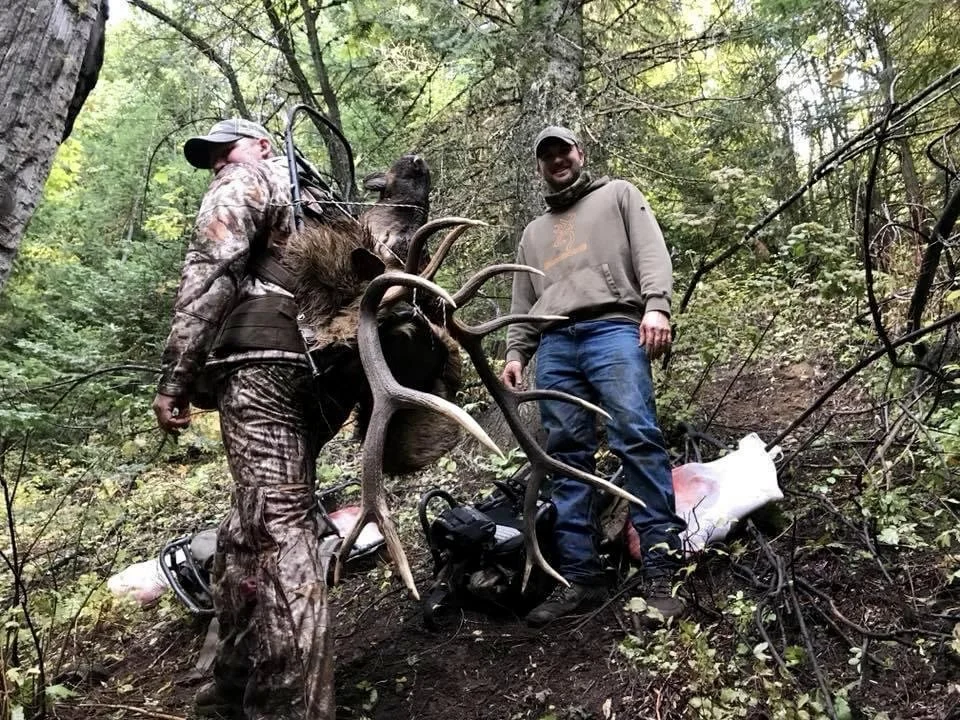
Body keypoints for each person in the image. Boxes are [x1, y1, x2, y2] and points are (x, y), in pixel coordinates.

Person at [153, 118, 356, 719]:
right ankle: (234, 692)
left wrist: (176, 375)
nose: (218, 162)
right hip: (313, 374)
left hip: (260, 366)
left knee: (279, 532)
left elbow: (211, 269)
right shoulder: (315, 208)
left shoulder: (248, 180)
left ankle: (293, 708)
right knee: (248, 533)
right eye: (211, 156)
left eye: (226, 149)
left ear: (264, 147)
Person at [500, 125, 687, 627]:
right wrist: (517, 349)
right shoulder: (532, 234)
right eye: (547, 156)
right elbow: (524, 297)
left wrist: (657, 307)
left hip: (614, 329)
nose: (557, 160)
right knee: (564, 456)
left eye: (564, 151)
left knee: (637, 436)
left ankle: (661, 568)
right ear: (540, 166)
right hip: (556, 343)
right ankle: (580, 577)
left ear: (580, 154)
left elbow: (651, 250)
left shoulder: (619, 195)